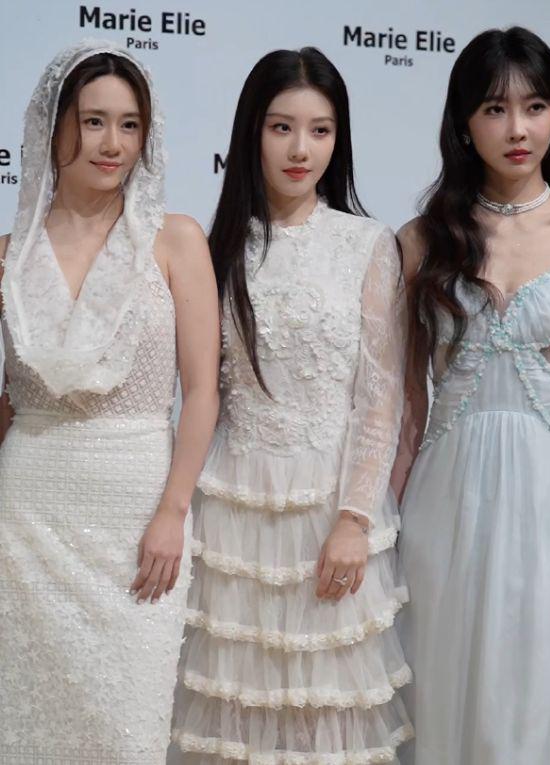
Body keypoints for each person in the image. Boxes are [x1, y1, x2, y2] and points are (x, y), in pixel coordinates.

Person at [171, 47, 413, 763]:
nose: (301, 149)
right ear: (252, 132)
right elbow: (197, 391)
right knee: (231, 713)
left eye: (320, 130)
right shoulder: (213, 248)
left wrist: (354, 519)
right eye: (281, 127)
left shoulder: (366, 244)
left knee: (325, 712)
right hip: (231, 508)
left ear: (339, 139)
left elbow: (381, 399)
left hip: (329, 504)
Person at [395, 26, 550, 765]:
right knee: (438, 692)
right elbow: (403, 402)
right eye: (494, 109)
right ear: (465, 123)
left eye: (535, 107)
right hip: (442, 502)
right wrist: (380, 518)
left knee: (541, 702)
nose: (517, 128)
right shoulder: (422, 239)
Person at [0, 41, 220, 763]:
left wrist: (172, 512)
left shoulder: (175, 239)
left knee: (127, 727)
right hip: (24, 516)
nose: (112, 143)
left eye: (129, 125)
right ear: (55, 126)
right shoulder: (8, 253)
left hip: (138, 515)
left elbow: (202, 393)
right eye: (93, 121)